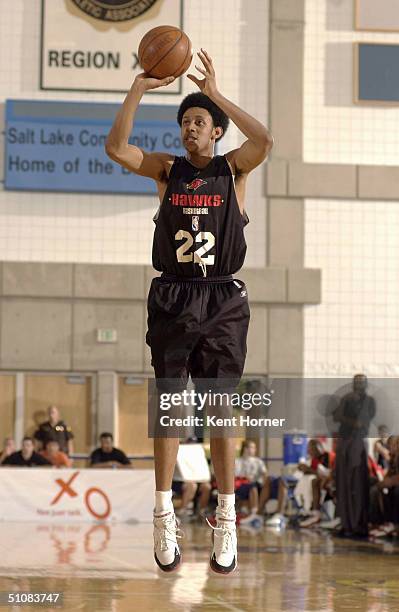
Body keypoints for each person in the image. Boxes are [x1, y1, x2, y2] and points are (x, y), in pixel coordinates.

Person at [105, 48, 273, 573]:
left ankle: (226, 514)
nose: (189, 129)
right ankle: (162, 512)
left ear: (217, 130)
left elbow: (265, 139)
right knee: (171, 405)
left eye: (199, 121)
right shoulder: (167, 172)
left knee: (221, 408)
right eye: (185, 122)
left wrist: (217, 94)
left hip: (222, 297)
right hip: (174, 294)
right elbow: (116, 148)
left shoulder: (233, 170)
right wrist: (137, 87)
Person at [333, 373, 376, 538]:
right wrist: (348, 417)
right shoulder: (346, 398)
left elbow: (362, 422)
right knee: (343, 484)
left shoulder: (369, 401)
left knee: (357, 485)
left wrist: (348, 419)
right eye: (356, 382)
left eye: (361, 382)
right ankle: (346, 523)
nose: (358, 384)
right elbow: (336, 416)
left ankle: (358, 523)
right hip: (345, 442)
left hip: (358, 443)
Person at [234, 440, 268, 524]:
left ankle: (254, 512)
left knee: (254, 486)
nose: (253, 450)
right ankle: (253, 512)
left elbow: (265, 474)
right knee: (251, 487)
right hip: (242, 485)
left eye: (254, 448)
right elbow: (235, 476)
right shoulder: (237, 461)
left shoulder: (258, 461)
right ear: (245, 449)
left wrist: (265, 484)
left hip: (256, 484)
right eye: (251, 447)